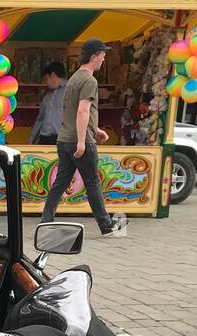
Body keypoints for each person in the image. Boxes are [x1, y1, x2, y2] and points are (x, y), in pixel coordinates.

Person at [39, 39, 126, 236]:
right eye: (102, 55)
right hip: (79, 140)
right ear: (94, 56)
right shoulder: (89, 81)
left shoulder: (74, 79)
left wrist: (95, 130)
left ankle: (46, 220)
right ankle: (106, 226)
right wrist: (82, 140)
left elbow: (72, 111)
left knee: (61, 182)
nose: (104, 59)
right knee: (93, 183)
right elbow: (82, 111)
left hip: (64, 139)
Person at [28, 62, 66, 145]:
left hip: (63, 140)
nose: (46, 83)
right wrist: (31, 140)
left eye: (46, 79)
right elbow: (40, 119)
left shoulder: (71, 91)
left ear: (52, 75)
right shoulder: (47, 96)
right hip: (44, 139)